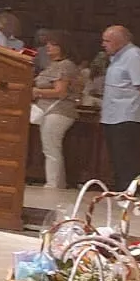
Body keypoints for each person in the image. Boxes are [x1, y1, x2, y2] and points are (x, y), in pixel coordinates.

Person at [100, 25, 140, 189]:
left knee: (126, 160)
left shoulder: (134, 55)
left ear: (120, 41)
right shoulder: (117, 57)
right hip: (112, 116)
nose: (103, 44)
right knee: (116, 159)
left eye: (107, 41)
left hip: (127, 116)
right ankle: (120, 193)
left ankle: (128, 195)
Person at [31, 31, 81, 190]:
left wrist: (36, 92)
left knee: (51, 148)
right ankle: (57, 182)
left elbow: (61, 91)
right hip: (48, 111)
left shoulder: (65, 65)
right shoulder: (53, 65)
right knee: (50, 147)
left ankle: (53, 184)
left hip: (59, 111)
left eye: (53, 44)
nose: (48, 47)